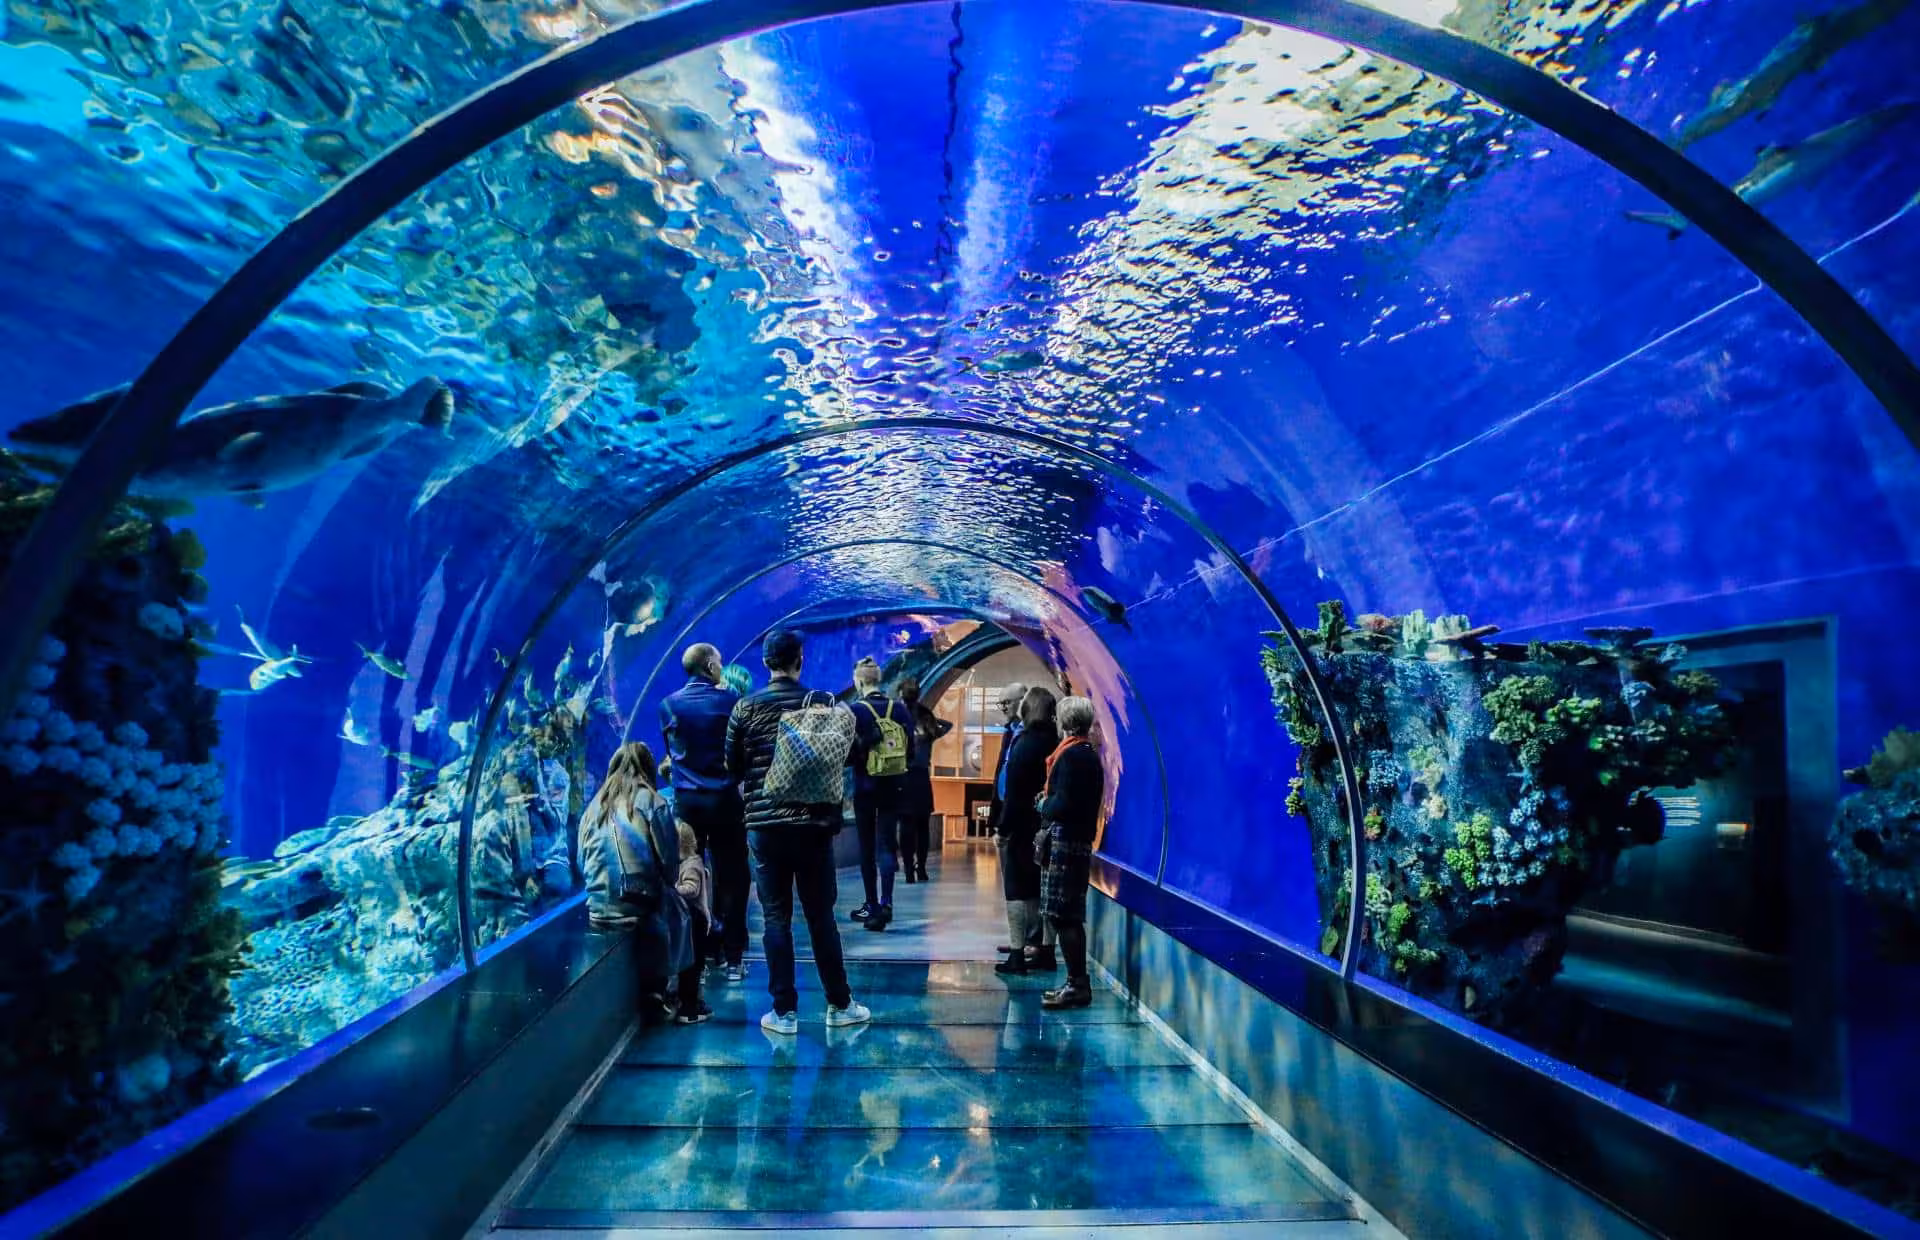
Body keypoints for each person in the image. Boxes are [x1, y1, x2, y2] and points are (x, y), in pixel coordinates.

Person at [726, 630, 872, 1035]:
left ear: (766, 663)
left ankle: (784, 1012)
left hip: (765, 827)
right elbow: (853, 753)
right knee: (821, 917)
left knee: (776, 918)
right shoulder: (823, 704)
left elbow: (732, 768)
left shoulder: (745, 707)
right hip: (813, 827)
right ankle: (839, 1004)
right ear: (800, 660)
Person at [579, 741, 687, 1025]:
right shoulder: (653, 802)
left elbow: (581, 862)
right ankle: (671, 990)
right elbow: (670, 867)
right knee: (684, 909)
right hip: (637, 909)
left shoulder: (593, 807)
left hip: (597, 909)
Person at [660, 642, 749, 981]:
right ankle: (734, 955)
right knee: (734, 876)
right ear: (711, 666)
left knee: (690, 873)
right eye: (720, 663)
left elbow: (674, 752)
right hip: (726, 801)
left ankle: (699, 951)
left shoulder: (668, 705)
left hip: (688, 804)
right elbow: (740, 750)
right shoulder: (731, 701)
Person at [1039, 697, 1105, 1009]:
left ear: (1064, 722)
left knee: (1064, 914)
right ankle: (1074, 982)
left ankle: (1078, 984)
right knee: (1066, 914)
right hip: (1078, 840)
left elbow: (1062, 804)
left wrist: (1043, 805)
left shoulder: (1071, 757)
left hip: (1067, 842)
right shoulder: (1087, 754)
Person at [847, 656, 915, 930]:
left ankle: (872, 905)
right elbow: (910, 750)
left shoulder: (855, 710)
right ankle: (887, 902)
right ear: (880, 679)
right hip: (894, 784)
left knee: (866, 847)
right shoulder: (899, 709)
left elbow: (848, 754)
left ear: (859, 680)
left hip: (865, 786)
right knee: (887, 843)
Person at [996, 687, 1059, 976]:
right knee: (1039, 890)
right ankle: (1044, 948)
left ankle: (1017, 953)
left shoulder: (1025, 743)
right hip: (1047, 828)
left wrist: (1003, 828)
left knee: (1016, 890)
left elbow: (1015, 793)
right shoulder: (1056, 742)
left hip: (1022, 829)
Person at [896, 676, 952, 882]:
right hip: (921, 778)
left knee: (906, 826)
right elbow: (947, 725)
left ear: (901, 695)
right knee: (922, 826)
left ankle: (909, 869)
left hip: (903, 776)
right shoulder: (926, 718)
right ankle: (922, 868)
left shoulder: (898, 718)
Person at [673, 821, 714, 1025]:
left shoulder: (692, 864)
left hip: (695, 923)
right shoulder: (685, 862)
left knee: (692, 966)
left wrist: (674, 888)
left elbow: (692, 889)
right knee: (690, 966)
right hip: (690, 923)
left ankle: (689, 1008)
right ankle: (689, 1002)